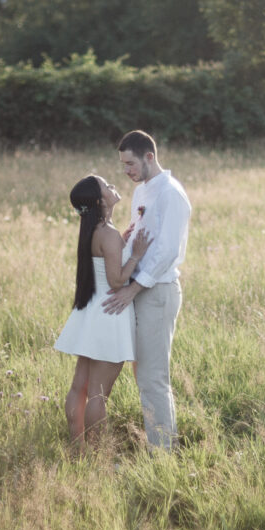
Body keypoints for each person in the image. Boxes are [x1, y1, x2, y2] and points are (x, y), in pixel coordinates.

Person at [103, 130, 191, 451]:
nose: (126, 170)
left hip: (157, 292)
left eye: (130, 163)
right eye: (123, 164)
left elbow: (167, 251)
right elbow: (139, 241)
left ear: (149, 157)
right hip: (137, 290)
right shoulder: (142, 193)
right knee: (144, 376)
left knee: (154, 378)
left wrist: (133, 289)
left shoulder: (170, 193)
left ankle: (164, 453)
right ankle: (157, 443)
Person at [53, 174, 151, 447]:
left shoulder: (96, 231)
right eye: (106, 186)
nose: (112, 187)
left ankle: (77, 446)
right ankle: (98, 453)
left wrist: (120, 241)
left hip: (92, 314)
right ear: (99, 200)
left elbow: (103, 259)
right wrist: (135, 254)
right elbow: (117, 280)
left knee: (80, 386)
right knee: (98, 395)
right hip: (109, 315)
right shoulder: (106, 234)